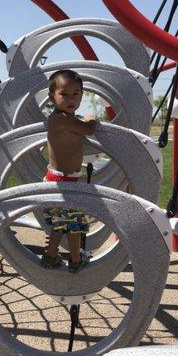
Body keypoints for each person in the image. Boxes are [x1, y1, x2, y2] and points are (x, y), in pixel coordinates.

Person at [41, 69, 98, 274]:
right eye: (64, 94)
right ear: (52, 97)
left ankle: (50, 256)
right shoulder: (60, 119)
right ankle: (75, 260)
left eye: (76, 94)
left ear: (82, 95)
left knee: (60, 224)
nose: (70, 98)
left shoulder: (65, 118)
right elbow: (89, 129)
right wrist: (92, 119)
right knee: (74, 226)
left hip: (62, 180)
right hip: (64, 183)